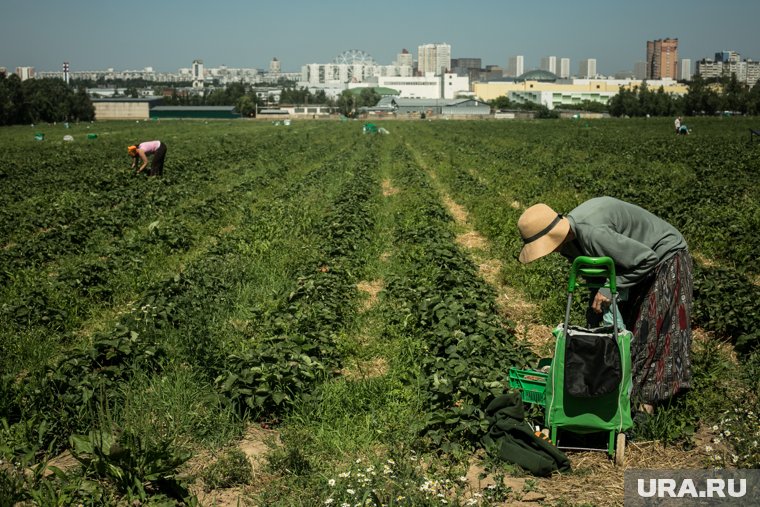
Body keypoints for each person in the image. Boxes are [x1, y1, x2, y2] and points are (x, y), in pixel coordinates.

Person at [517, 197, 693, 414]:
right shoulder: (571, 242)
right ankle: (623, 393)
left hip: (664, 257)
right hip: (636, 263)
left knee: (651, 328)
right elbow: (601, 268)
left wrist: (610, 289)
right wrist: (595, 303)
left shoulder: (594, 233)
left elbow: (647, 259)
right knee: (626, 325)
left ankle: (646, 405)